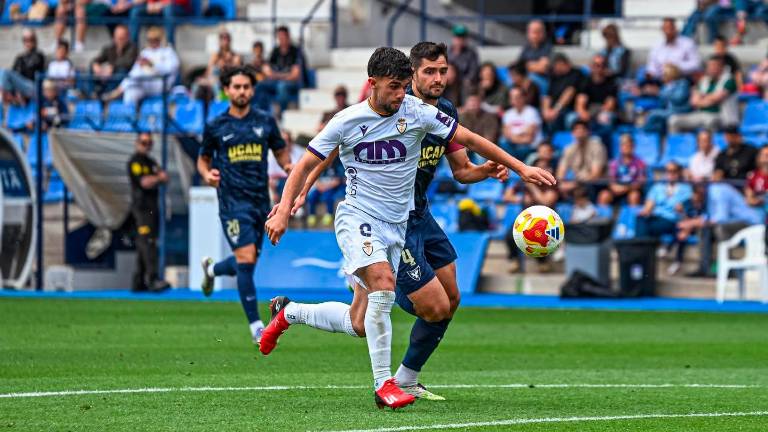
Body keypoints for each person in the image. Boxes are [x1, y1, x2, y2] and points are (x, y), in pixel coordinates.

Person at [259, 46, 554, 409]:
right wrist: (288, 206)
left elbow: (471, 142)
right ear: (375, 83)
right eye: (397, 86)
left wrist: (519, 168)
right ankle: (387, 385)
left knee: (362, 322)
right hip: (357, 217)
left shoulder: (422, 113)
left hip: (401, 222)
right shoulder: (347, 120)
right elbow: (308, 163)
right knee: (386, 286)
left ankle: (290, 313)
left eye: (441, 71)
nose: (402, 94)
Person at [197, 67, 293, 344]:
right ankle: (256, 327)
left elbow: (279, 148)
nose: (241, 91)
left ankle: (212, 270)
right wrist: (207, 173)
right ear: (227, 89)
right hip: (231, 201)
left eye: (246, 87)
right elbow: (203, 158)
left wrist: (287, 165)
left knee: (247, 263)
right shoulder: (216, 126)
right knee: (246, 259)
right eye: (236, 86)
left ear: (252, 90)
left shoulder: (264, 121)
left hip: (259, 201)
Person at [127, 132, 171, 292]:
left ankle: (138, 281)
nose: (146, 146)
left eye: (149, 143)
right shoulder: (135, 162)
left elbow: (165, 176)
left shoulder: (151, 162)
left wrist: (157, 178)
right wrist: (158, 178)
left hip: (152, 208)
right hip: (141, 208)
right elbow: (145, 182)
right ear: (137, 143)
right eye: (143, 142)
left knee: (145, 243)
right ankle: (152, 279)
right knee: (147, 243)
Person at [104, 27, 180, 105]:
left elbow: (171, 69)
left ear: (160, 39)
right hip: (145, 83)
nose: (152, 42)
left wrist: (153, 64)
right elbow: (134, 71)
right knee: (130, 92)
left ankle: (118, 91)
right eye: (150, 40)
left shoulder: (168, 51)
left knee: (139, 73)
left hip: (162, 83)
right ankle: (129, 115)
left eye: (155, 39)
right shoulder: (145, 52)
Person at [668, 56, 738, 133]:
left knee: (710, 121)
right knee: (674, 120)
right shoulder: (704, 80)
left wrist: (703, 98)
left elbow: (716, 99)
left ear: (721, 67)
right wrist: (708, 99)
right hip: (701, 114)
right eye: (709, 66)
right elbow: (694, 101)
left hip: (722, 117)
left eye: (714, 66)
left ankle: (709, 144)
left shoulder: (729, 81)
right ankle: (680, 144)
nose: (711, 68)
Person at [635, 162, 692, 240]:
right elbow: (648, 207)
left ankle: (640, 248)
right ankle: (641, 247)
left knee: (648, 226)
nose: (671, 174)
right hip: (656, 218)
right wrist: (645, 212)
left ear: (679, 172)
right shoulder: (657, 187)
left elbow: (686, 210)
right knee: (641, 219)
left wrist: (682, 211)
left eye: (674, 171)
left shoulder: (685, 189)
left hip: (671, 220)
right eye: (668, 171)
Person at [258, 26, 306, 117]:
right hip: (277, 81)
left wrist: (276, 75)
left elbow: (295, 75)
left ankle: (282, 116)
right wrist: (280, 75)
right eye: (279, 37)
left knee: (282, 86)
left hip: (293, 83)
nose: (281, 39)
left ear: (288, 37)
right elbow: (266, 69)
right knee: (260, 85)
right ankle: (259, 114)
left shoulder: (296, 51)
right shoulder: (275, 51)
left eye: (283, 36)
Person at [568, 54, 618, 134]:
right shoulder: (585, 82)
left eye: (602, 65)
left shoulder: (611, 83)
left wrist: (595, 115)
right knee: (571, 118)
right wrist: (583, 112)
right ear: (591, 66)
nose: (598, 68)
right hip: (587, 111)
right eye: (596, 65)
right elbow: (580, 102)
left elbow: (610, 105)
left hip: (602, 111)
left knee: (605, 118)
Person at [556, 120, 606, 198]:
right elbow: (560, 173)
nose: (579, 131)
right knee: (557, 190)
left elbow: (595, 174)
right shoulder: (569, 149)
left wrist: (574, 184)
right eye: (576, 129)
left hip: (595, 185)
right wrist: (562, 184)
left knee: (582, 191)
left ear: (588, 132)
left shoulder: (597, 147)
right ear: (572, 133)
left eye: (582, 129)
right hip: (576, 183)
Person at [642, 64, 691, 134]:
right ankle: (656, 139)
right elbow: (662, 103)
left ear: (670, 74)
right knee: (652, 116)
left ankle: (645, 135)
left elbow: (678, 98)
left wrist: (659, 92)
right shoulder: (666, 86)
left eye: (664, 74)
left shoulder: (682, 83)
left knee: (652, 115)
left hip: (679, 111)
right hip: (668, 110)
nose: (662, 76)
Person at [90, 25, 138, 96]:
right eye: (117, 38)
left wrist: (112, 67)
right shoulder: (110, 48)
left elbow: (128, 62)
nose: (119, 41)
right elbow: (98, 58)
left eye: (122, 38)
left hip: (125, 77)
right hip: (108, 75)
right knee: (91, 69)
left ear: (127, 37)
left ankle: (109, 95)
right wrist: (95, 64)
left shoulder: (133, 48)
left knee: (121, 71)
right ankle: (92, 94)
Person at [598, 133, 645, 206]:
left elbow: (640, 182)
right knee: (604, 195)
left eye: (628, 145)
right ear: (620, 147)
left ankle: (632, 216)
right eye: (623, 145)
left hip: (632, 189)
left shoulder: (640, 163)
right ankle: (602, 217)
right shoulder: (614, 163)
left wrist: (626, 188)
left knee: (634, 196)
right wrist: (615, 187)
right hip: (617, 188)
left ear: (633, 146)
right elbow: (611, 180)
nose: (626, 147)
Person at [541, 53, 583, 132]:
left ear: (561, 63)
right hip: (553, 110)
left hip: (568, 109)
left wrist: (556, 110)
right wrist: (546, 110)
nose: (553, 69)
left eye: (554, 66)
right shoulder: (554, 76)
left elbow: (569, 93)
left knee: (570, 118)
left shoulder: (576, 73)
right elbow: (547, 96)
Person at [0, 29, 45, 102]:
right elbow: (13, 73)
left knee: (4, 72)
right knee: (2, 73)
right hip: (20, 86)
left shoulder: (39, 55)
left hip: (32, 86)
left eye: (31, 39)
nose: (28, 42)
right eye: (25, 40)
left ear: (35, 40)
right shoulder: (20, 57)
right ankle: (13, 96)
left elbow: (31, 72)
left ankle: (10, 96)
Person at [501, 86, 542, 161]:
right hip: (513, 146)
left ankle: (513, 165)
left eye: (517, 97)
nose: (514, 100)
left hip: (529, 147)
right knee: (502, 142)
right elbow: (506, 134)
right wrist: (522, 134)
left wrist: (513, 136)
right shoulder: (508, 114)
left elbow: (529, 138)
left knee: (517, 150)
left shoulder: (532, 112)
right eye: (512, 97)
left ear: (524, 97)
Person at [447, 25, 479, 90]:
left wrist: (466, 81)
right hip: (448, 85)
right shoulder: (446, 53)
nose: (460, 39)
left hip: (464, 86)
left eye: (462, 37)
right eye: (458, 36)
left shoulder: (471, 54)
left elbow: (473, 72)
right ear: (453, 38)